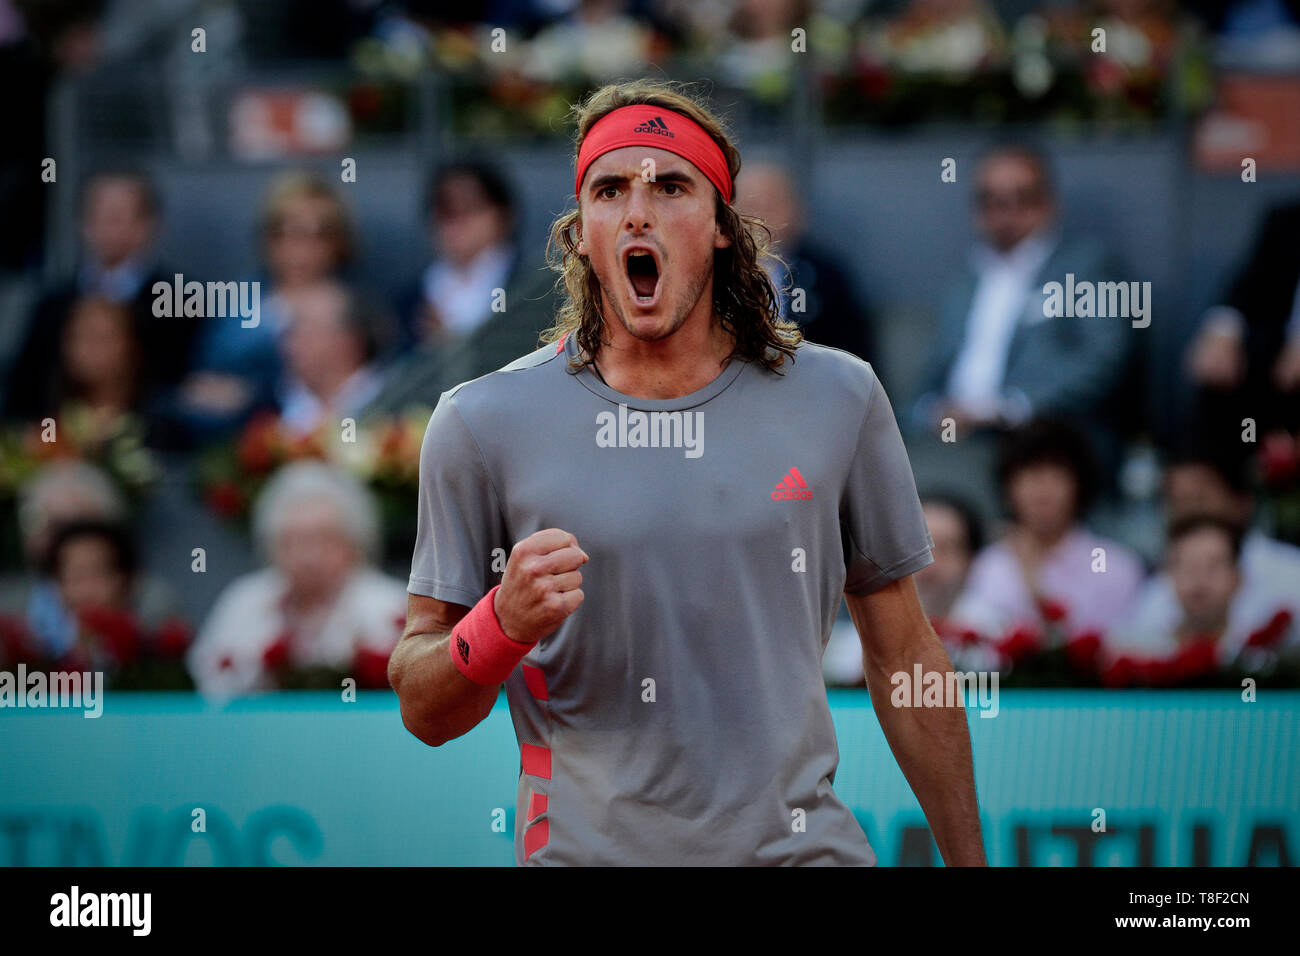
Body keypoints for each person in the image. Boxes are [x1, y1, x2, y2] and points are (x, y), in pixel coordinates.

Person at [389, 80, 986, 867]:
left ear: (721, 230)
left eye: (671, 186)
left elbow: (906, 658)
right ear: (581, 235)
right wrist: (498, 624)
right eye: (610, 190)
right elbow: (424, 708)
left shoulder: (840, 395)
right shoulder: (479, 421)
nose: (638, 212)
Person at [909, 142, 1136, 503]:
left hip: (1040, 434)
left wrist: (1007, 408)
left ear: (1048, 203)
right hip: (956, 433)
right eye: (991, 200)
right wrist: (929, 411)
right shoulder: (966, 277)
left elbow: (1103, 359)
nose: (1005, 212)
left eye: (1021, 198)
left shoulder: (1087, 265)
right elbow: (933, 370)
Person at [187, 462, 407, 699]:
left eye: (324, 539)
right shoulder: (244, 601)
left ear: (355, 544)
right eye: (293, 541)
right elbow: (207, 684)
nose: (309, 557)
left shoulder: (391, 605)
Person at [3, 169, 200, 421]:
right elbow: (24, 390)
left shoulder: (182, 302)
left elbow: (190, 392)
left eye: (119, 216)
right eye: (98, 215)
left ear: (149, 224)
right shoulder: (52, 304)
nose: (108, 227)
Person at [371, 160, 557, 414]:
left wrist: (454, 347)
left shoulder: (535, 289)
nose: (458, 223)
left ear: (503, 215)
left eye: (471, 208)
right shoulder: (409, 301)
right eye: (446, 212)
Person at [950, 418, 1146, 640]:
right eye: (1030, 475)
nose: (1043, 491)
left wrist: (1035, 588)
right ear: (1008, 486)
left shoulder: (1117, 568)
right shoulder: (990, 565)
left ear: (1079, 484)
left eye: (1056, 475)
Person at [734, 161, 877, 364]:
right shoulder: (715, 274)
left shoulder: (828, 277)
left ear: (797, 210)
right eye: (750, 205)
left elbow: (854, 355)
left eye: (771, 204)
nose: (761, 216)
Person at [1111, 513, 1297, 664]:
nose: (1199, 580)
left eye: (1213, 566)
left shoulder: (1263, 660)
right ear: (1168, 575)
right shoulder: (1137, 653)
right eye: (1187, 566)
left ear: (1238, 578)